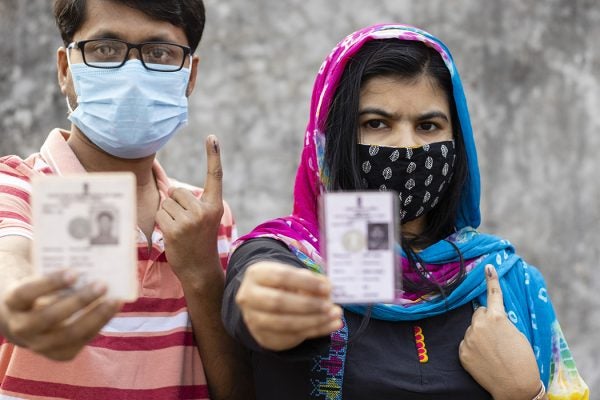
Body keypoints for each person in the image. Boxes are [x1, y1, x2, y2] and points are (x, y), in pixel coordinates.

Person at [222, 24, 589, 399]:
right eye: (376, 124)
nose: (407, 146)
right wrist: (266, 305)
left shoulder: (503, 279)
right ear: (330, 138)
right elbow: (255, 295)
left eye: (428, 125)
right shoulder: (287, 257)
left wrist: (525, 392)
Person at [0, 1, 252, 399]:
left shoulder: (208, 218)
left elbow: (237, 389)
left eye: (159, 53)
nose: (132, 74)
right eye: (105, 49)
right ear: (66, 70)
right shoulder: (17, 187)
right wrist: (17, 303)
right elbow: (9, 260)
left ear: (190, 76)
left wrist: (202, 273)